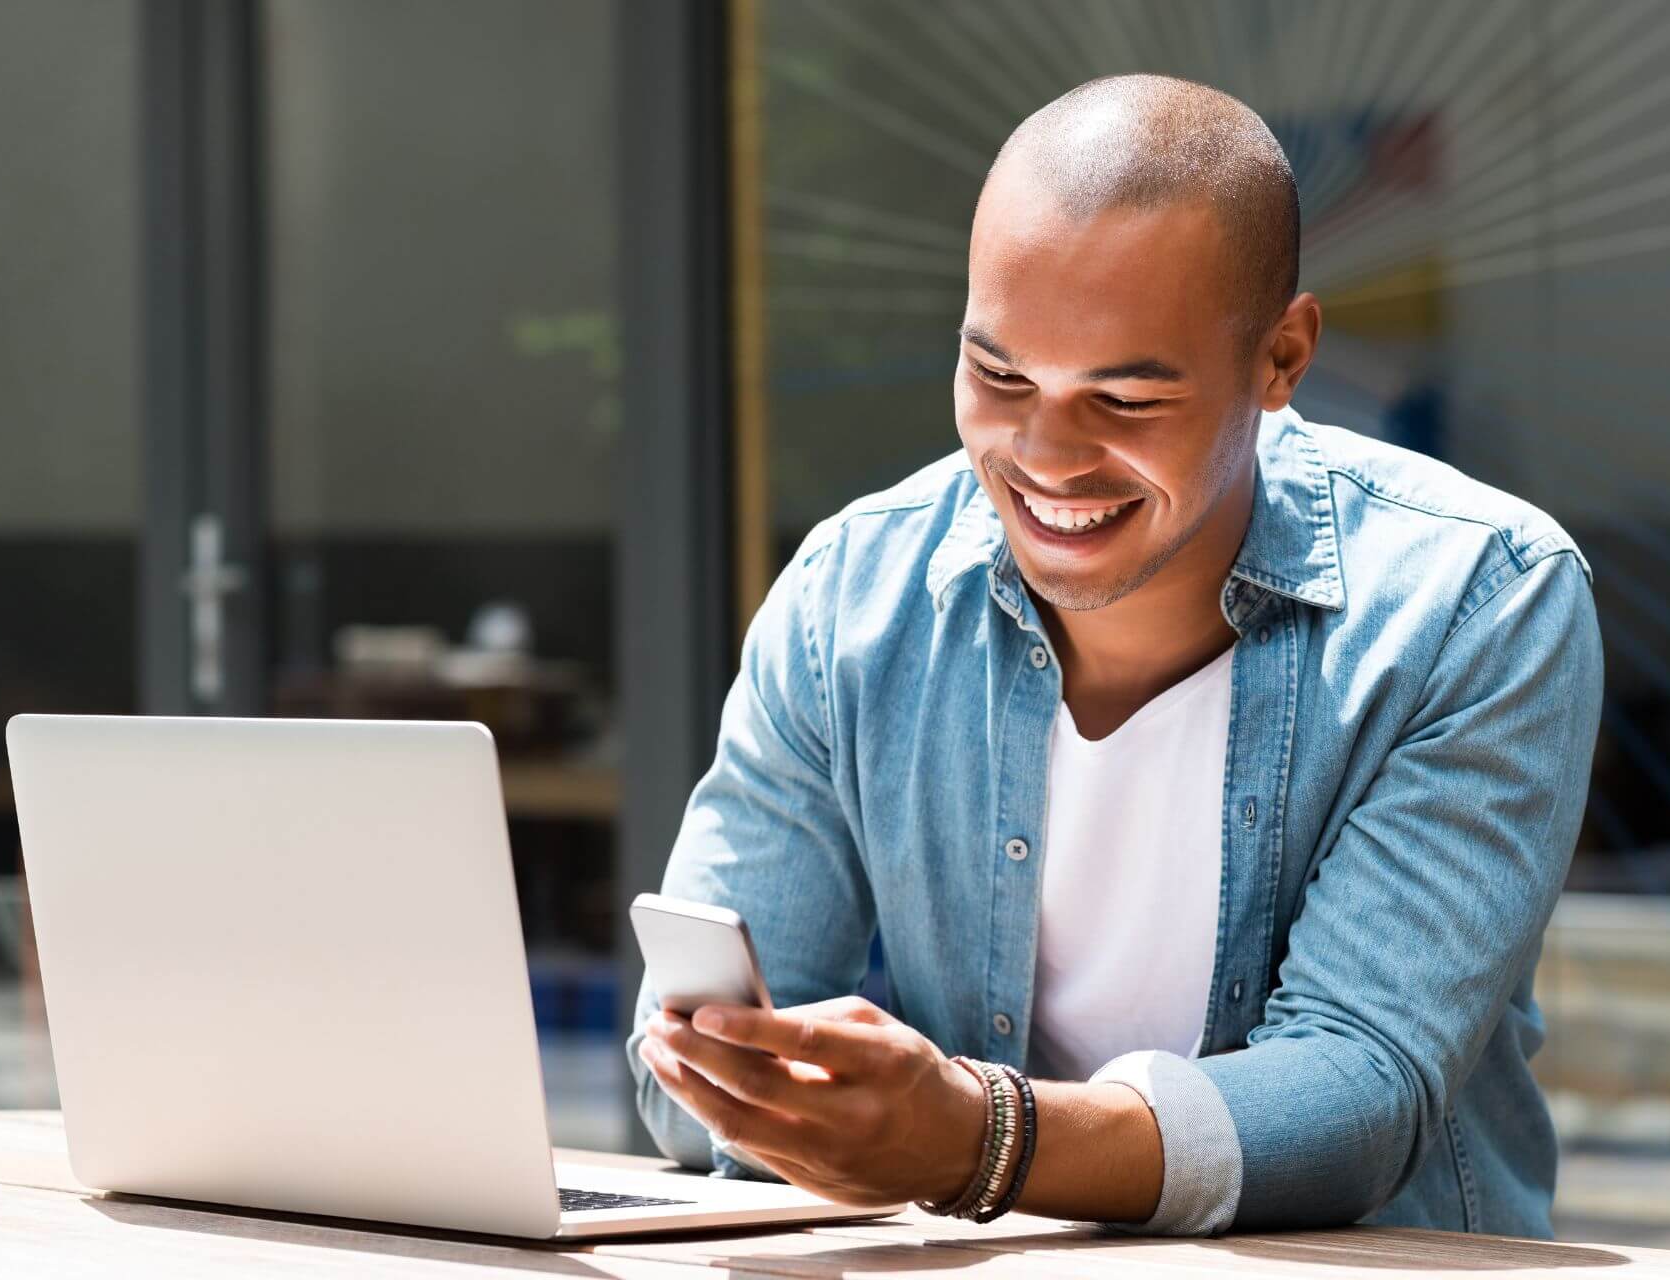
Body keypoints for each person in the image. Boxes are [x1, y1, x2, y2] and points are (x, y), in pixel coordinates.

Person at [627, 73, 1602, 1237]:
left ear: (1281, 358)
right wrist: (749, 1080)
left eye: (1127, 399)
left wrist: (971, 1136)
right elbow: (687, 1083)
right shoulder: (854, 597)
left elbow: (1358, 1091)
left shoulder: (1476, 599)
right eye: (999, 376)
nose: (1046, 457)